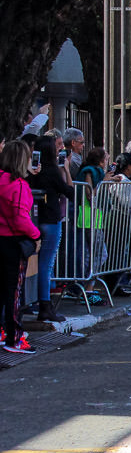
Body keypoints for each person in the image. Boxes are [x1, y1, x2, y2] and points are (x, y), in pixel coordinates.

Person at [28, 136, 75, 322]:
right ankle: (44, 305)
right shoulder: (52, 171)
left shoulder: (31, 172)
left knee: (34, 264)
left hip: (34, 221)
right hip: (51, 220)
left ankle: (34, 302)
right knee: (46, 265)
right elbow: (70, 192)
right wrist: (66, 170)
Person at [0, 141, 40, 353]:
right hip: (14, 242)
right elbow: (20, 218)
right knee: (14, 293)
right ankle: (14, 339)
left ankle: (3, 332)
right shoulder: (19, 185)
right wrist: (36, 234)